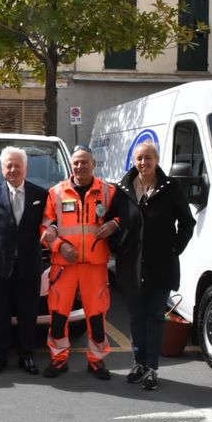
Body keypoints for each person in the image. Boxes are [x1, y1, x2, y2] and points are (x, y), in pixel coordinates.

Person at [112, 140, 195, 390]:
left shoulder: (171, 187)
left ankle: (152, 368)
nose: (143, 163)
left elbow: (187, 223)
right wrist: (118, 249)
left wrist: (174, 248)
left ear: (156, 160)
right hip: (131, 266)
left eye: (148, 158)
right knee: (137, 317)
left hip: (161, 265)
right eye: (139, 158)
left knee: (155, 317)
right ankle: (138, 364)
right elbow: (114, 221)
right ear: (134, 162)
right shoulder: (123, 188)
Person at [40, 144, 122, 380]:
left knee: (96, 317)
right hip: (63, 266)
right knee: (58, 315)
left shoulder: (108, 191)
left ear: (93, 164)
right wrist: (60, 246)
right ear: (71, 165)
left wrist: (114, 224)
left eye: (84, 162)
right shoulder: (56, 193)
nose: (79, 166)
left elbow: (124, 216)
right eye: (76, 162)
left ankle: (96, 361)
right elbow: (45, 227)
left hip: (95, 266)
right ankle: (58, 359)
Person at [0, 147, 48, 375]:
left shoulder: (40, 195)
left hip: (30, 265)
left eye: (18, 165)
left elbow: (49, 224)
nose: (13, 169)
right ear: (2, 168)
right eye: (9, 165)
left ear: (26, 168)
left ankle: (26, 356)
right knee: (0, 314)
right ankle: (0, 356)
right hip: (0, 267)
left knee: (28, 314)